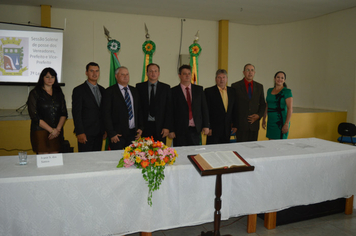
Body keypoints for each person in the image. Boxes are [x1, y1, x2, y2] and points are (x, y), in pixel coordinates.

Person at [27, 67, 68, 154]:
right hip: (40, 131)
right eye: (47, 77)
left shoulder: (59, 93)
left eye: (52, 77)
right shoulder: (35, 93)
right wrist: (51, 130)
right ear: (42, 78)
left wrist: (57, 130)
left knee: (55, 159)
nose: (50, 79)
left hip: (57, 131)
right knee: (43, 159)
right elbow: (34, 116)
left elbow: (64, 113)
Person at [102, 66, 143, 150]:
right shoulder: (109, 91)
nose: (125, 76)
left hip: (133, 134)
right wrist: (111, 133)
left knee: (132, 160)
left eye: (127, 74)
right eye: (122, 74)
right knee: (117, 160)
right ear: (116, 76)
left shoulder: (134, 91)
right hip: (117, 135)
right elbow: (106, 114)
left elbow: (139, 110)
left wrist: (141, 128)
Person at [169, 64, 209, 146]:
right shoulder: (173, 91)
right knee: (181, 154)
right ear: (179, 75)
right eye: (184, 74)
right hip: (179, 130)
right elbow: (170, 112)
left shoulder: (199, 90)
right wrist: (171, 130)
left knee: (194, 153)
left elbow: (204, 108)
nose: (187, 76)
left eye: (189, 73)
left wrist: (206, 125)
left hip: (195, 128)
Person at [72, 62, 106, 152]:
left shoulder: (103, 90)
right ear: (86, 73)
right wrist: (80, 132)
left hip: (99, 133)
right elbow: (76, 113)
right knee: (85, 161)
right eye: (91, 71)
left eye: (97, 71)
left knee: (97, 160)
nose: (94, 73)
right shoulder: (79, 90)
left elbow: (104, 112)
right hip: (85, 133)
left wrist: (105, 130)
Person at [136, 63, 172, 143]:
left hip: (161, 127)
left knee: (160, 152)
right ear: (147, 73)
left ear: (158, 73)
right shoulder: (139, 87)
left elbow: (169, 109)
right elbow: (138, 108)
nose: (153, 73)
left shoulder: (166, 88)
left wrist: (167, 127)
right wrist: (139, 126)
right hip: (145, 126)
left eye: (155, 71)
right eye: (151, 71)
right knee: (145, 152)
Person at [231, 63, 266, 142]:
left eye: (252, 70)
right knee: (241, 148)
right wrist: (234, 123)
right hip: (241, 124)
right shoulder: (235, 86)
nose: (250, 72)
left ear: (254, 73)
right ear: (243, 72)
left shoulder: (259, 86)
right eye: (248, 70)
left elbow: (263, 104)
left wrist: (258, 115)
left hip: (254, 125)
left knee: (252, 149)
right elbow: (233, 106)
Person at [205, 69, 238, 144]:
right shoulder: (209, 91)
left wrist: (235, 125)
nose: (221, 80)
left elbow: (234, 109)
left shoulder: (232, 91)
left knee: (225, 150)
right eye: (219, 77)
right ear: (216, 79)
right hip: (213, 129)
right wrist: (208, 127)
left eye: (224, 77)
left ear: (227, 79)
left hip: (227, 128)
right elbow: (206, 111)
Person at [262, 71, 293, 139]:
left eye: (282, 78)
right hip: (271, 121)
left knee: (280, 145)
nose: (280, 79)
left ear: (284, 80)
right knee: (270, 143)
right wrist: (264, 118)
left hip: (281, 121)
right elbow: (267, 105)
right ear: (274, 78)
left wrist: (286, 124)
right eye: (278, 77)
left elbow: (289, 109)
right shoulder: (269, 90)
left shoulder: (287, 91)